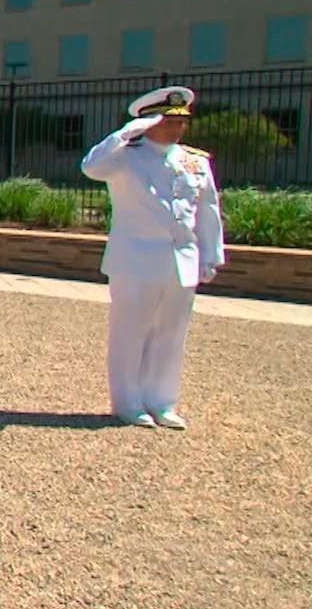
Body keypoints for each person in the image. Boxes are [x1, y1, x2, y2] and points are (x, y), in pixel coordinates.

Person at [80, 86, 225, 429]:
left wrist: (210, 255)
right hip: (136, 260)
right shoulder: (123, 156)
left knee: (171, 334)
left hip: (181, 260)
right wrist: (127, 132)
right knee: (131, 332)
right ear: (148, 120)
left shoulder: (195, 161)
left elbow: (207, 210)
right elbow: (90, 167)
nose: (176, 128)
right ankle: (128, 401)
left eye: (181, 121)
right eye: (167, 121)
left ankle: (162, 401)